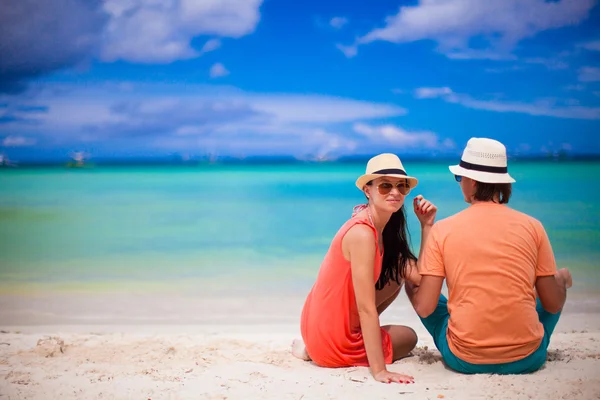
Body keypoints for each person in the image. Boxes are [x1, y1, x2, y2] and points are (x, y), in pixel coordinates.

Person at [405, 137, 572, 375]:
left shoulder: (444, 229)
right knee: (555, 285)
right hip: (528, 359)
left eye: (459, 178)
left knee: (414, 285)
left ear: (472, 182)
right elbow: (553, 304)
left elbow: (425, 307)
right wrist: (561, 283)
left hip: (465, 358)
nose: (459, 183)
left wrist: (427, 228)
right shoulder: (533, 227)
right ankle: (560, 282)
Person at [292, 153, 437, 384]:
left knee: (396, 276)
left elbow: (418, 276)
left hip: (316, 328)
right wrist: (380, 371)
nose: (395, 192)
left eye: (401, 186)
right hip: (333, 341)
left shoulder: (380, 227)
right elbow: (365, 307)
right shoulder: (362, 234)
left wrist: (427, 227)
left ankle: (313, 347)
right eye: (385, 186)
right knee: (409, 337)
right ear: (367, 190)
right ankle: (325, 349)